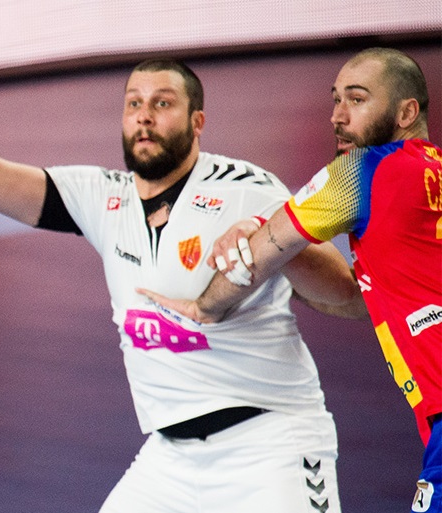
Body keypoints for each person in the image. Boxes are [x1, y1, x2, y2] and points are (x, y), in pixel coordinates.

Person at [0, 36, 364, 512]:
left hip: (271, 443)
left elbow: (343, 293)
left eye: (162, 103)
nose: (145, 116)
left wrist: (272, 245)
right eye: (134, 103)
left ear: (197, 122)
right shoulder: (103, 197)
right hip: (171, 457)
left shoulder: (246, 191)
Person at [140, 47, 441, 513]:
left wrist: (203, 308)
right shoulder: (429, 177)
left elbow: (258, 256)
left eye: (357, 100)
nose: (338, 117)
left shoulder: (364, 172)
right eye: (335, 100)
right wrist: (262, 230)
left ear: (406, 113)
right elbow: (355, 297)